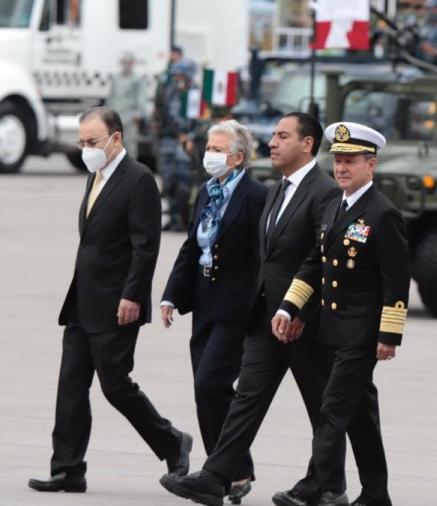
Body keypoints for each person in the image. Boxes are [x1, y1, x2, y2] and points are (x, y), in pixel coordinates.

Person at [159, 113, 341, 505]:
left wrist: (301, 312)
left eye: (282, 136)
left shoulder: (323, 192)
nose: (272, 142)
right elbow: (266, 257)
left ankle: (330, 486)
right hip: (265, 318)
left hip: (303, 323)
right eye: (273, 135)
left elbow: (323, 260)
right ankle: (218, 475)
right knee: (245, 400)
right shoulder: (278, 190)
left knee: (322, 407)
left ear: (307, 144)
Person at [28, 107, 192, 494]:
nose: (86, 149)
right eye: (81, 142)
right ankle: (68, 468)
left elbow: (145, 247)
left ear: (116, 139)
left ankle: (172, 441)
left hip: (117, 303)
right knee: (70, 385)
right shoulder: (97, 176)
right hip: (83, 301)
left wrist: (133, 295)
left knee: (115, 385)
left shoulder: (138, 180)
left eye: (92, 142)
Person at [270, 121, 411, 506]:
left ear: (371, 164)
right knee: (359, 415)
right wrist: (290, 304)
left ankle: (318, 485)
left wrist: (388, 336)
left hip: (361, 335)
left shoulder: (383, 214)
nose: (342, 168)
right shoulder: (334, 204)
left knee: (331, 409)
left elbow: (396, 282)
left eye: (351, 161)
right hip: (330, 330)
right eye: (338, 161)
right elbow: (315, 262)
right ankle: (376, 495)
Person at [159, 119, 267, 504]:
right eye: (208, 147)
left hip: (237, 307)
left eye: (218, 149)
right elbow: (192, 246)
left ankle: (221, 473)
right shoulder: (206, 190)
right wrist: (172, 295)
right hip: (204, 300)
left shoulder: (256, 196)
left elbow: (263, 255)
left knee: (211, 384)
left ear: (238, 157)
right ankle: (235, 473)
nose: (210, 154)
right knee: (206, 391)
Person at [154, 59, 197, 231]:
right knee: (168, 181)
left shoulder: (196, 95)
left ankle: (182, 219)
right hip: (168, 140)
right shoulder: (170, 91)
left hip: (186, 143)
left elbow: (199, 120)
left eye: (180, 74)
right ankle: (172, 217)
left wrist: (188, 136)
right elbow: (163, 114)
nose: (177, 78)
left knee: (183, 182)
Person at [106, 52, 144, 156]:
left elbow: (141, 97)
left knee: (130, 144)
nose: (126, 65)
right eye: (124, 63)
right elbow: (111, 97)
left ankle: (132, 170)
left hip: (130, 117)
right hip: (117, 116)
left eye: (128, 63)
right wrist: (108, 114)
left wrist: (138, 113)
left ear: (132, 64)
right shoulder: (116, 78)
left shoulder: (136, 79)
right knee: (115, 144)